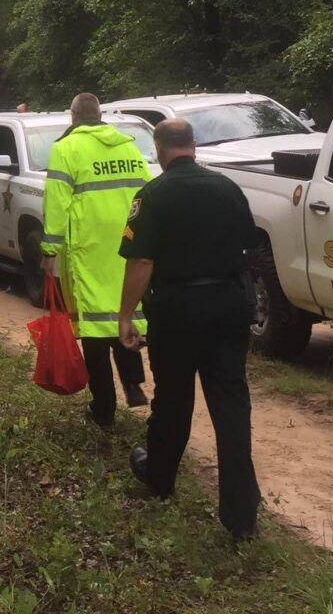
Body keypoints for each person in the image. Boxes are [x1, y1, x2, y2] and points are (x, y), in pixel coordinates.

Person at [118, 116, 262, 541]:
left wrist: (126, 315)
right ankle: (241, 515)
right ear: (193, 145)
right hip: (228, 308)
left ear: (159, 149)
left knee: (174, 400)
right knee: (231, 407)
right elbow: (248, 245)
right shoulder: (228, 188)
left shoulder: (153, 194)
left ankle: (159, 477)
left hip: (177, 311)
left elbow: (143, 261)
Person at [43, 92, 153, 425]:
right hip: (126, 245)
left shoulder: (66, 149)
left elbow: (57, 202)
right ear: (100, 115)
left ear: (73, 117)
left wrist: (49, 249)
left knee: (93, 328)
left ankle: (103, 407)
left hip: (88, 249)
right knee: (123, 313)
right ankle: (133, 383)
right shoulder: (127, 146)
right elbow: (148, 192)